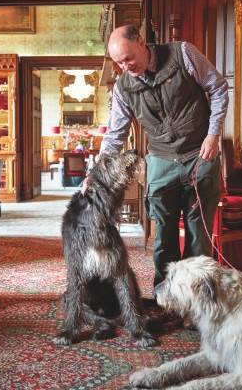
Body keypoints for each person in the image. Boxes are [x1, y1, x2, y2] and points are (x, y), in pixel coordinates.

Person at [91, 25, 228, 294]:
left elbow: (219, 88)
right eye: (119, 63)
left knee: (198, 235)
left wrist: (213, 135)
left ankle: (198, 299)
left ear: (142, 43)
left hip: (199, 155)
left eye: (128, 58)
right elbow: (115, 134)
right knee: (163, 236)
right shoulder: (123, 87)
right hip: (161, 161)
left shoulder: (183, 54)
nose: (125, 67)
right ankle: (166, 297)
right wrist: (94, 173)